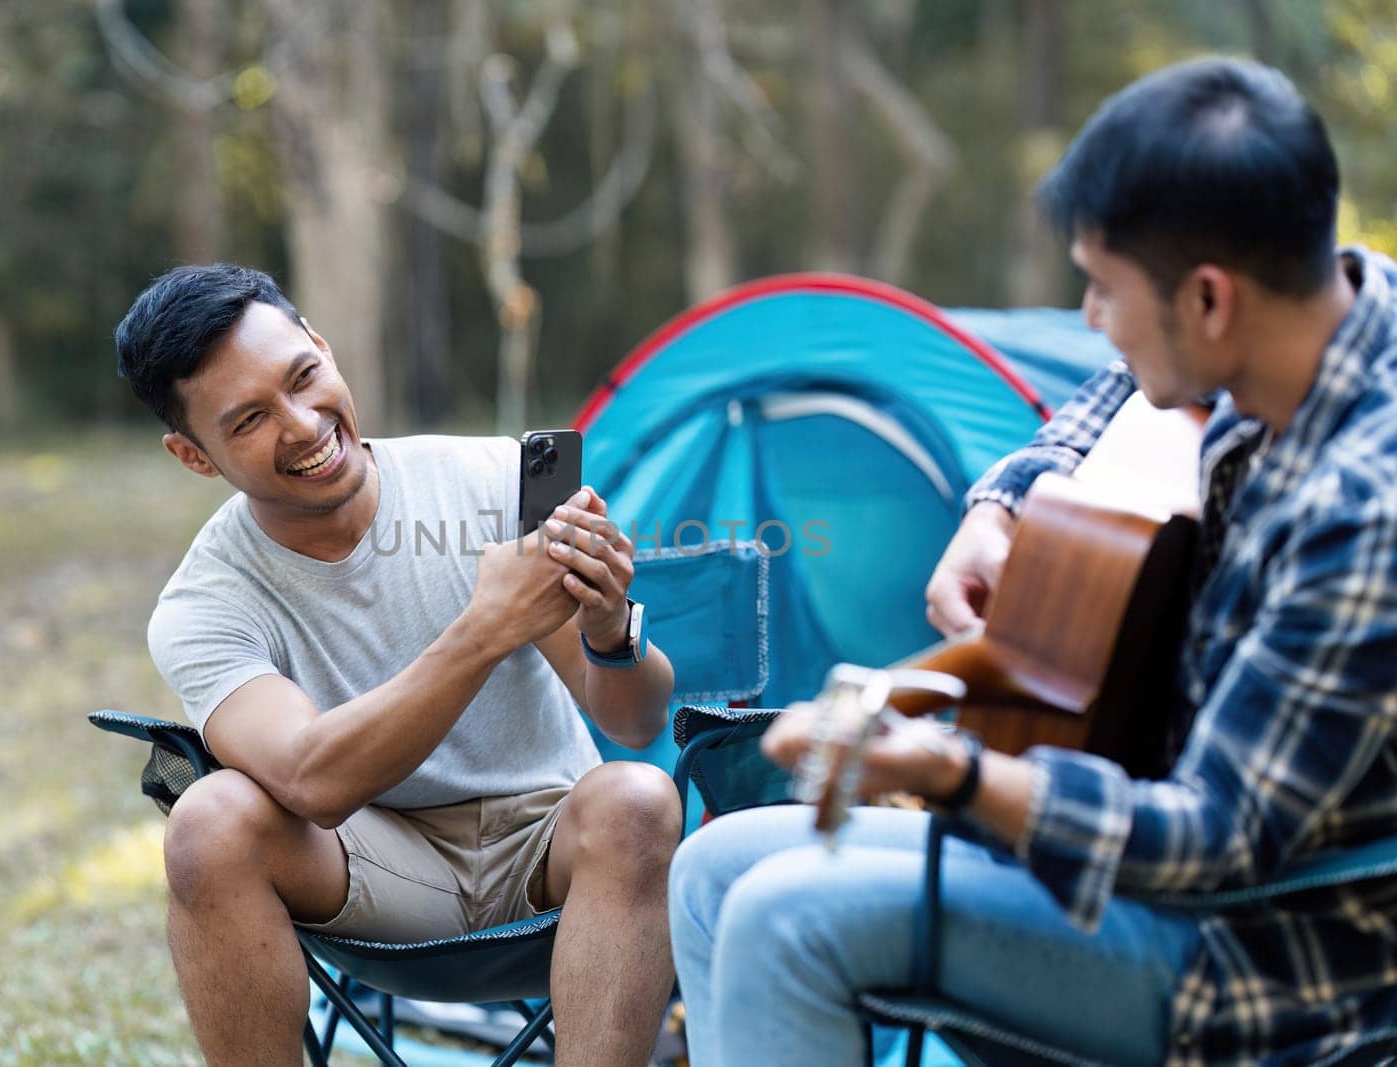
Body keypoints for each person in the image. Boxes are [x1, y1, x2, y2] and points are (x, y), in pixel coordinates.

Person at [668, 57, 1397, 1066]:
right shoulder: (1331, 299)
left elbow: (1209, 839)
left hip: (1253, 954)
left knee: (784, 917)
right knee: (711, 869)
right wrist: (1003, 497)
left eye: (1100, 289)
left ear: (1209, 302)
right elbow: (1114, 387)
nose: (1089, 319)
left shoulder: (1363, 514)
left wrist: (954, 771)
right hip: (1137, 858)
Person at [114, 265, 680, 1067]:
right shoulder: (204, 604)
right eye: (249, 420)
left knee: (638, 795)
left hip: (546, 845)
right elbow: (313, 781)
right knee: (208, 822)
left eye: (304, 377)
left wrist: (608, 627)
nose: (304, 425)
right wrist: (486, 628)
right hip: (370, 864)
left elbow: (634, 717)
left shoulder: (489, 481)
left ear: (323, 347)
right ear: (193, 455)